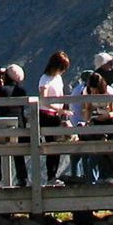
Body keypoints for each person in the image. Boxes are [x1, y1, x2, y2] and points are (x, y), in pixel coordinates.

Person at [0, 64, 29, 188]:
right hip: (19, 127)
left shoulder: (1, 90)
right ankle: (23, 178)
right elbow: (8, 92)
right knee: (18, 152)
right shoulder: (22, 91)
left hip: (4, 127)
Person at [37, 51, 73, 185]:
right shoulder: (45, 79)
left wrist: (63, 110)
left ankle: (53, 176)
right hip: (46, 115)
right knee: (51, 145)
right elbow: (43, 99)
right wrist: (58, 109)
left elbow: (61, 95)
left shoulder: (58, 78)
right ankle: (51, 176)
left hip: (57, 115)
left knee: (57, 146)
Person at [84, 71, 113, 183]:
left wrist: (105, 117)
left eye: (96, 90)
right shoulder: (87, 92)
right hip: (98, 118)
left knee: (112, 147)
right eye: (92, 90)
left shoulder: (109, 92)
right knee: (99, 146)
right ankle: (103, 175)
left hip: (111, 119)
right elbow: (88, 108)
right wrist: (87, 121)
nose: (94, 92)